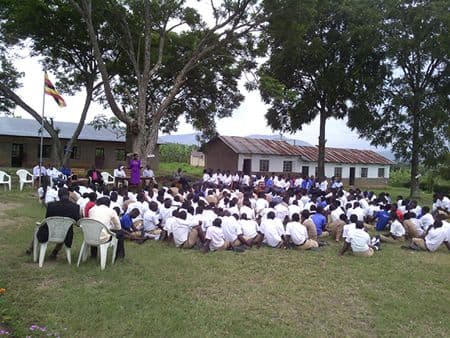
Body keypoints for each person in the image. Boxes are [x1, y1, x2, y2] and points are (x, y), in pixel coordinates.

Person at [35, 188, 80, 259]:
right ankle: (55, 252)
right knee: (66, 229)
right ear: (68, 196)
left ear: (58, 196)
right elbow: (77, 222)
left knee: (40, 228)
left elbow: (47, 218)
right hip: (65, 235)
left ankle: (31, 249)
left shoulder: (51, 205)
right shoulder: (75, 207)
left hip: (49, 232)